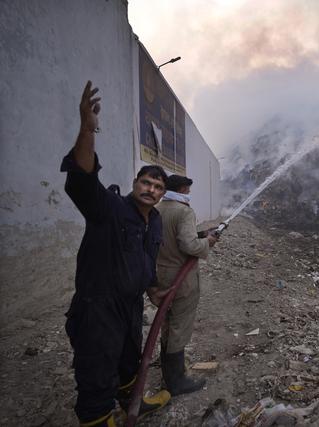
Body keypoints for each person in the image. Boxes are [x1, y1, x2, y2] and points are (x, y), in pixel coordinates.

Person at [61, 81, 171, 426]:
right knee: (97, 368)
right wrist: (87, 127)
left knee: (129, 360)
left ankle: (131, 401)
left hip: (130, 305)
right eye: (145, 183)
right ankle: (97, 418)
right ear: (135, 183)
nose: (150, 190)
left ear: (161, 194)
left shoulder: (155, 222)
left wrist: (153, 288)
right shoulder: (106, 208)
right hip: (98, 306)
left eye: (157, 187)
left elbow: (147, 261)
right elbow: (81, 178)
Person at [156, 174, 217, 395]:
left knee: (166, 322)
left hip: (162, 275)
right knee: (180, 325)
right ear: (182, 188)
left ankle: (167, 369)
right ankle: (176, 381)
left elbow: (172, 237)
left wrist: (200, 234)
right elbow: (189, 245)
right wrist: (207, 241)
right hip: (181, 280)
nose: (189, 194)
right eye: (188, 190)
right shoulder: (183, 211)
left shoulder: (159, 208)